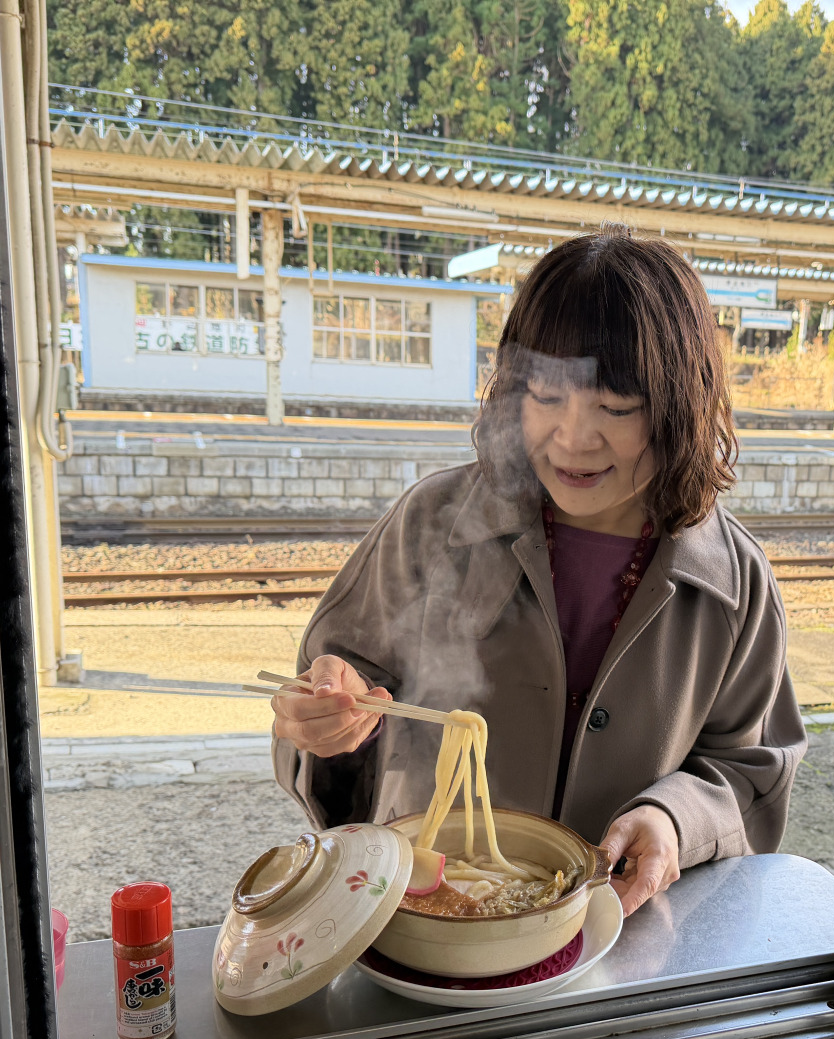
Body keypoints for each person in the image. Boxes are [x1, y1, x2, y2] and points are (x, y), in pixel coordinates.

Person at [270, 225, 806, 916]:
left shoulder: (734, 582)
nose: (574, 437)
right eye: (547, 397)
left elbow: (750, 769)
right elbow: (330, 686)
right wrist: (325, 719)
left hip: (617, 934)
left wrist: (676, 820)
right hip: (428, 921)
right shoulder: (432, 523)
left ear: (679, 408)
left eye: (615, 406)